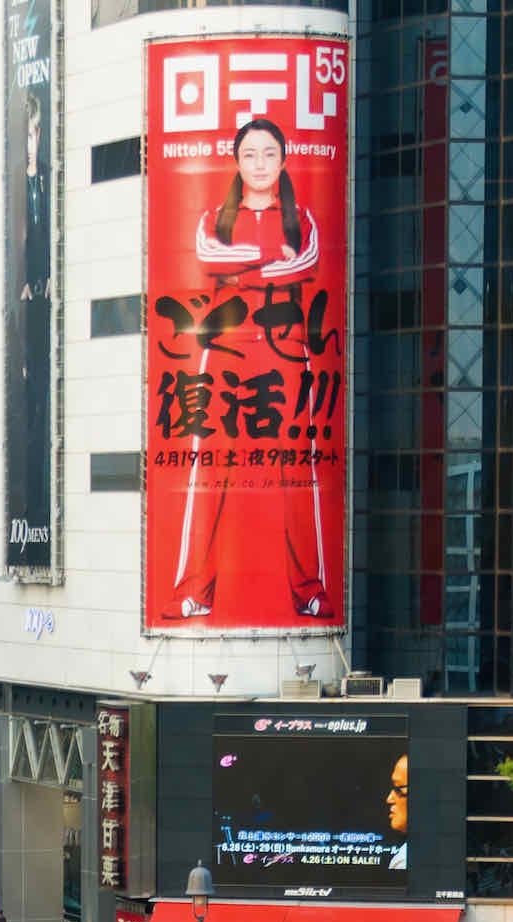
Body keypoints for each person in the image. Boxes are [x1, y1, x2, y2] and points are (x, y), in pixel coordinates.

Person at [170, 115, 332, 623]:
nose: (259, 164)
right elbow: (208, 259)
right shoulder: (213, 219)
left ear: (283, 160)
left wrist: (243, 266)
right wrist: (264, 262)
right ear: (236, 163)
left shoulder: (302, 218)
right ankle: (195, 589)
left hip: (285, 358)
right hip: (224, 357)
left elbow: (305, 263)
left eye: (269, 154)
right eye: (249, 155)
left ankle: (309, 590)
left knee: (298, 477)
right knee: (208, 472)